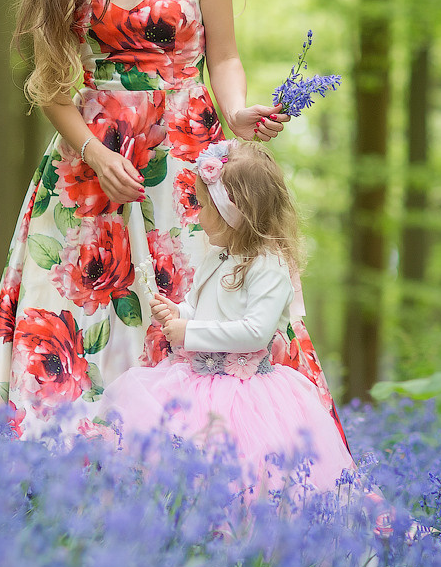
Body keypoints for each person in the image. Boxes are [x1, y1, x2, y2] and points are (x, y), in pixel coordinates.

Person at [0, 0, 346, 450]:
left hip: (189, 161)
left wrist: (236, 113)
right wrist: (93, 154)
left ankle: (200, 477)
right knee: (77, 319)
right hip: (92, 174)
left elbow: (223, 55)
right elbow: (52, 89)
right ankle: (65, 481)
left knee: (196, 312)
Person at [92, 141, 354, 496]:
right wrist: (178, 312)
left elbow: (256, 333)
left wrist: (189, 331)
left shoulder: (268, 266)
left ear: (234, 211)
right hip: (195, 379)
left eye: (203, 205)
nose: (197, 215)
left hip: (247, 393)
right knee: (185, 466)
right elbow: (201, 307)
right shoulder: (217, 258)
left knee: (245, 476)